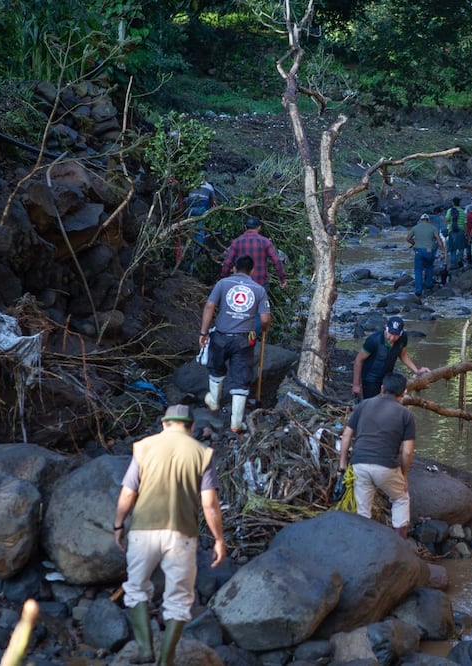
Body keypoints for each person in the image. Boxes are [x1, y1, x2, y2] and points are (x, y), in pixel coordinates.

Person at [113, 404, 226, 665]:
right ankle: (166, 659)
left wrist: (119, 524)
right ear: (192, 427)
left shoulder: (143, 447)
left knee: (136, 589)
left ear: (164, 424)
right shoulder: (203, 453)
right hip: (182, 535)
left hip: (143, 532)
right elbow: (209, 503)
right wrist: (219, 539)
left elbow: (129, 493)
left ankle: (144, 649)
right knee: (179, 599)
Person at [338, 372, 415, 539]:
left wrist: (343, 464)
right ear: (403, 393)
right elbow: (407, 451)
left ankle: (364, 546)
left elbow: (346, 435)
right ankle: (399, 544)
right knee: (400, 498)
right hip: (386, 466)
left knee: (363, 511)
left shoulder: (364, 405)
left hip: (359, 465)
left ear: (382, 388)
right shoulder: (406, 414)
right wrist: (404, 474)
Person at [200, 255, 271, 432]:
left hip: (221, 335)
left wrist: (203, 332)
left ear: (234, 268)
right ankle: (236, 423)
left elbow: (209, 306)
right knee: (241, 377)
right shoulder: (259, 290)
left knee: (216, 368)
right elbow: (265, 318)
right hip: (244, 339)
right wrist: (263, 328)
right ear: (252, 271)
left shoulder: (222, 284)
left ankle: (214, 402)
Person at [352, 316, 430, 400]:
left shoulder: (403, 338)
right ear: (386, 328)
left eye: (396, 335)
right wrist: (356, 385)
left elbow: (403, 355)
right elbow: (359, 360)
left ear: (401, 333)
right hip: (371, 379)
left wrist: (416, 371)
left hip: (387, 378)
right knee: (372, 405)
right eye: (391, 333)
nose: (392, 338)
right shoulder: (373, 341)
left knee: (388, 403)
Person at [221, 216, 287, 289]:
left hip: (241, 285)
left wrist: (225, 278)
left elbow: (227, 263)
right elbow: (276, 261)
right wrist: (282, 279)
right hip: (260, 284)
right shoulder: (265, 242)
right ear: (259, 227)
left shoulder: (236, 242)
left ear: (245, 227)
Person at [406, 213, 446, 299]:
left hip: (418, 251)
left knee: (418, 270)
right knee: (429, 267)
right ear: (428, 220)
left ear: (421, 220)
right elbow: (438, 240)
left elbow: (408, 238)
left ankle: (418, 290)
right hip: (429, 251)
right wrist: (442, 250)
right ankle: (429, 284)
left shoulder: (415, 228)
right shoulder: (433, 228)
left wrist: (414, 243)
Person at [445, 197, 467, 269]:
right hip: (461, 231)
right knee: (461, 248)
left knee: (452, 249)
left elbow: (447, 220)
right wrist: (466, 233)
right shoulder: (462, 211)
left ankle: (453, 265)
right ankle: (459, 260)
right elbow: (465, 223)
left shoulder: (450, 210)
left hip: (452, 231)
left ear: (453, 203)